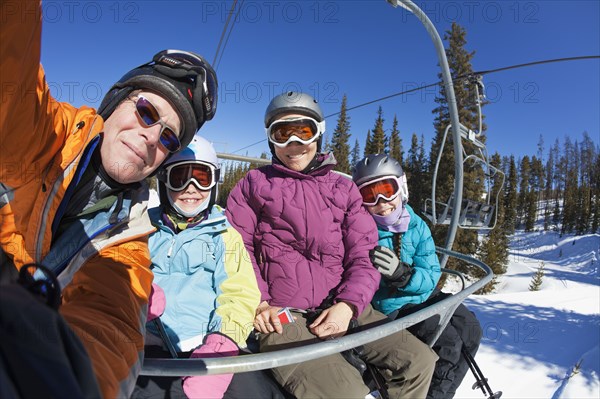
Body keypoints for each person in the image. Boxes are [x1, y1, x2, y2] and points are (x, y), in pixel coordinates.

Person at [0, 2, 218, 397]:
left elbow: (111, 325)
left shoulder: (128, 240)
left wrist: (61, 377)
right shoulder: (39, 134)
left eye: (169, 138)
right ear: (116, 103)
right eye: (148, 112)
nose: (152, 137)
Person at [226, 91, 437, 398]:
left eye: (304, 131)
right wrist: (259, 301)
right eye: (282, 134)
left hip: (341, 302)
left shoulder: (343, 189)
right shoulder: (254, 185)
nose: (294, 144)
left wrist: (348, 304)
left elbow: (363, 253)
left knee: (418, 362)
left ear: (319, 133)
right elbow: (236, 246)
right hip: (283, 312)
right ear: (271, 140)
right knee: (345, 392)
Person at [133, 135, 285, 399]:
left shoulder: (225, 235)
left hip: (208, 339)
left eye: (201, 178)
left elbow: (239, 294)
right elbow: (121, 268)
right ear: (164, 181)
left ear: (214, 182)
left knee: (259, 393)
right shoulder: (143, 227)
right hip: (149, 337)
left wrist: (222, 342)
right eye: (180, 178)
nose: (191, 188)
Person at [352, 154, 483, 399]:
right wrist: (386, 278)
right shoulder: (362, 231)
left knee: (471, 328)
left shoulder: (416, 225)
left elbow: (431, 272)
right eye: (370, 195)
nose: (381, 203)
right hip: (394, 306)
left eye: (386, 190)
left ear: (401, 187)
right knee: (450, 345)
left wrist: (403, 275)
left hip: (422, 294)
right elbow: (362, 283)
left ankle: (443, 392)